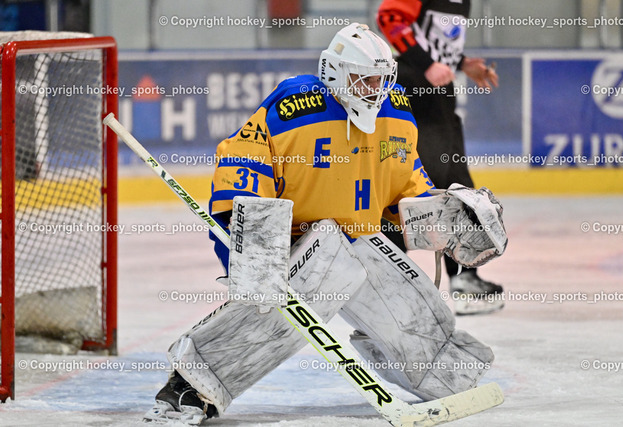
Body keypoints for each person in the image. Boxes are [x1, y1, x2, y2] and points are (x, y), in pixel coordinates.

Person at [143, 23, 504, 425]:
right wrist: (250, 254)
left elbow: (406, 188)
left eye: (381, 79)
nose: (375, 89)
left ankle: (444, 372)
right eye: (364, 78)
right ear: (334, 72)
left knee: (412, 310)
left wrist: (448, 219)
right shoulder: (295, 106)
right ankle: (192, 385)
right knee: (274, 309)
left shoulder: (397, 114)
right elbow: (242, 165)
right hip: (292, 245)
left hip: (360, 240)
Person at [377, 0, 505, 315]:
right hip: (414, 91)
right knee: (417, 189)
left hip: (439, 94)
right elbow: (389, 18)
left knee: (458, 188)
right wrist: (426, 65)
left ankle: (462, 278)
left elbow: (436, 43)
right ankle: (389, 283)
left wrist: (461, 63)